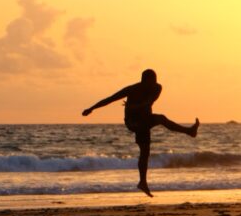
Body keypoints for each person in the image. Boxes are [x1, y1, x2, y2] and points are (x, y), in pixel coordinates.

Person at [82, 69, 199, 197]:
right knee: (161, 119)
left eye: (154, 81)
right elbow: (110, 99)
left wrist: (134, 106)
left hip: (145, 119)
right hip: (133, 122)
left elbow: (147, 103)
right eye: (149, 82)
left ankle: (142, 182)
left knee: (145, 152)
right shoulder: (132, 89)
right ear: (143, 81)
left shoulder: (157, 88)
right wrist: (91, 108)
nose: (152, 84)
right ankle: (189, 131)